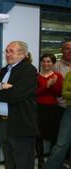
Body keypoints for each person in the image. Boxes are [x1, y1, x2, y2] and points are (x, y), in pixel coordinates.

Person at [0, 41, 38, 169]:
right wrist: (2, 86)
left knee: (23, 161)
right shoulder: (5, 70)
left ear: (23, 54)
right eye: (7, 51)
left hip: (20, 123)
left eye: (11, 51)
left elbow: (15, 95)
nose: (7, 54)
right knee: (9, 159)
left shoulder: (29, 70)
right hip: (3, 122)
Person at [43, 41, 71, 169]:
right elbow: (62, 92)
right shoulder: (57, 66)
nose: (70, 51)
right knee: (60, 141)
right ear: (62, 50)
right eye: (67, 49)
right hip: (61, 107)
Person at [36, 53, 63, 169]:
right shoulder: (36, 76)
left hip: (52, 109)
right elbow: (34, 93)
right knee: (38, 135)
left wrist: (53, 84)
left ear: (53, 63)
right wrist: (47, 86)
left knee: (54, 135)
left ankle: (52, 161)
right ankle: (41, 160)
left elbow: (59, 94)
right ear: (41, 62)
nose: (46, 63)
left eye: (49, 61)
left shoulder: (57, 76)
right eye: (44, 61)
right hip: (38, 108)